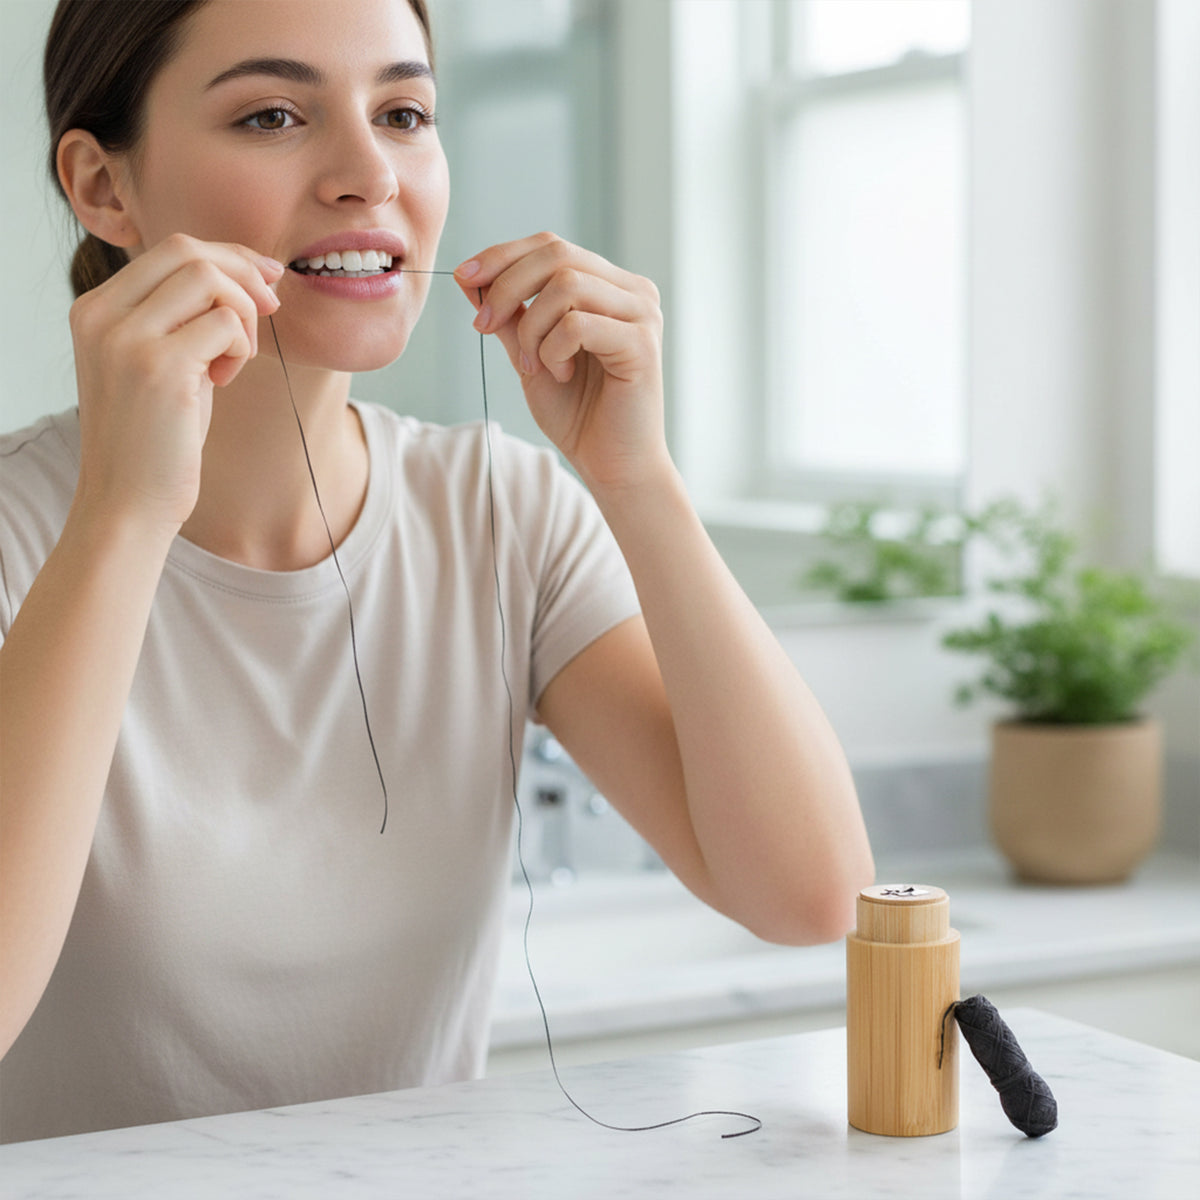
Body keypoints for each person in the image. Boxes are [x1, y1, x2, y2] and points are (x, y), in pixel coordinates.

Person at [0, 0, 874, 1143]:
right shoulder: (22, 531)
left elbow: (812, 897)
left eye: (404, 113)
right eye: (272, 116)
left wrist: (639, 479)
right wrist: (122, 519)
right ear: (102, 185)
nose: (370, 175)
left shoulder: (502, 511)